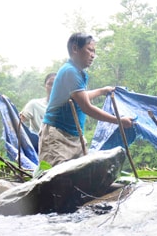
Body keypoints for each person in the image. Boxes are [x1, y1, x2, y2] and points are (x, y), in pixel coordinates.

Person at [38, 32, 134, 167]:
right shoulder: (70, 71)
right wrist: (118, 121)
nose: (93, 55)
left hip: (74, 136)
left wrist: (101, 91)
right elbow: (87, 107)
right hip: (58, 135)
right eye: (89, 50)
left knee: (77, 177)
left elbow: (79, 97)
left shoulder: (79, 73)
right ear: (75, 49)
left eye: (94, 51)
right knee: (57, 178)